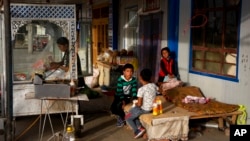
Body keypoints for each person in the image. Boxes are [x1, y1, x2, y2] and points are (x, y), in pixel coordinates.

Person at [125, 68, 157, 139]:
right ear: (150, 77)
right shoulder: (154, 86)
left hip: (144, 109)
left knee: (127, 117)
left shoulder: (141, 89)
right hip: (153, 108)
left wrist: (136, 103)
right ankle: (140, 127)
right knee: (132, 112)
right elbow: (158, 91)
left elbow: (139, 104)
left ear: (140, 77)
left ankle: (137, 131)